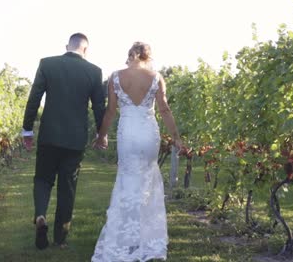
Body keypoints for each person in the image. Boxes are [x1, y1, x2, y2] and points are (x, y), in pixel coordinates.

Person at [91, 42, 184, 261]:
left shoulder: (115, 76)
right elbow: (164, 109)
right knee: (147, 180)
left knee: (127, 180)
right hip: (148, 133)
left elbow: (110, 111)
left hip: (127, 133)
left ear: (130, 54)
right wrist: (176, 137)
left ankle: (126, 238)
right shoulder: (156, 76)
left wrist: (102, 135)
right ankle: (148, 239)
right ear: (148, 56)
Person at [21, 33, 106, 249]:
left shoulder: (47, 64)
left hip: (49, 135)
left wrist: (27, 130)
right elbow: (98, 107)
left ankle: (40, 215)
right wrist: (101, 133)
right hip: (75, 140)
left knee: (42, 179)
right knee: (67, 188)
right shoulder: (94, 72)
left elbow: (34, 98)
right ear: (85, 50)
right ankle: (60, 239)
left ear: (67, 46)